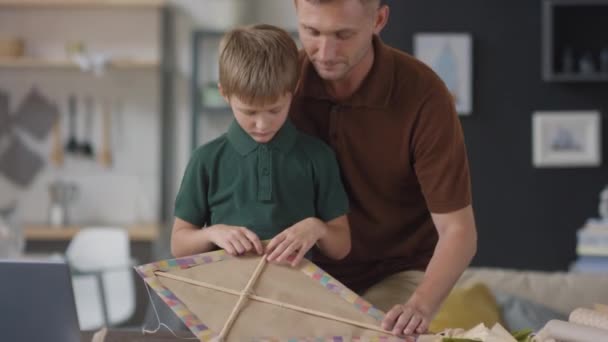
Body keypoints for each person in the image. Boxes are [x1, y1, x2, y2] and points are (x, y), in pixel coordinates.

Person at [290, 0, 478, 337]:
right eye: (312, 31)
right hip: (306, 269)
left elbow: (459, 233)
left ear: (379, 19)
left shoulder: (425, 95)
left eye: (343, 34)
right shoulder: (284, 82)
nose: (325, 51)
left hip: (395, 271)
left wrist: (419, 307)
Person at [171, 24, 351, 269]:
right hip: (227, 298)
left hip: (295, 298)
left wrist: (317, 228)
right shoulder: (206, 159)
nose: (262, 124)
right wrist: (212, 233)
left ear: (293, 91)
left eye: (275, 110)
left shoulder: (318, 157)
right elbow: (179, 244)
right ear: (224, 94)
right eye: (249, 111)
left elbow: (341, 246)